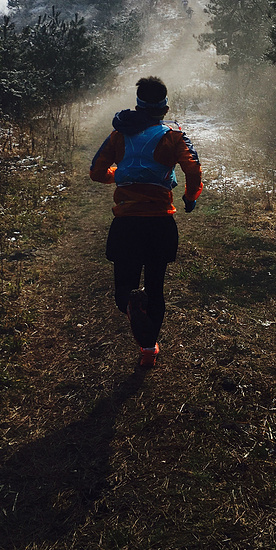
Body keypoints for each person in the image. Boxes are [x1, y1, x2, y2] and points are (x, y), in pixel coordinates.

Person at [90, 76, 203, 367]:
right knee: (156, 286)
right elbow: (193, 168)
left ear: (138, 106)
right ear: (165, 109)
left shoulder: (118, 136)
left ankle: (131, 304)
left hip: (126, 223)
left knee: (123, 291)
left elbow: (96, 171)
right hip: (160, 224)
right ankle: (148, 350)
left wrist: (119, 175)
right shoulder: (175, 136)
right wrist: (190, 198)